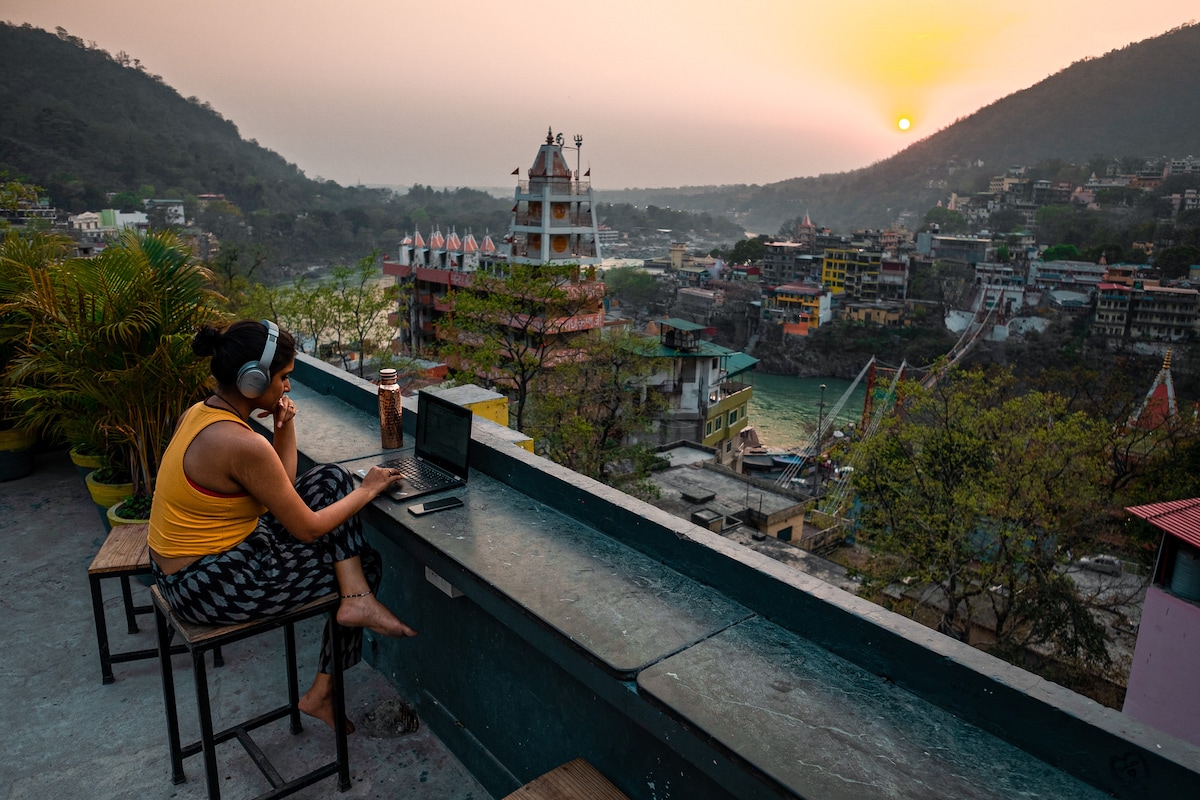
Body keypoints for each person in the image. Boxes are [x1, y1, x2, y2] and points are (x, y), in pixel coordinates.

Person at [149, 319, 416, 732]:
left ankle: (354, 600)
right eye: (284, 377)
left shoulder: (202, 414)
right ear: (252, 381)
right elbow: (306, 528)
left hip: (205, 563)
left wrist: (284, 426)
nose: (288, 387)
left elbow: (283, 490)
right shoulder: (240, 443)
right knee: (364, 563)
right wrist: (367, 491)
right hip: (208, 584)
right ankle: (326, 683)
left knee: (330, 479)